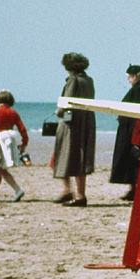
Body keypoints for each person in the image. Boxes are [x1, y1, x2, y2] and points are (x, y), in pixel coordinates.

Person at [53, 52, 96, 207]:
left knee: (66, 155)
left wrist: (58, 112)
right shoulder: (88, 80)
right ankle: (78, 193)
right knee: (81, 157)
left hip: (72, 123)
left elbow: (66, 102)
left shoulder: (73, 80)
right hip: (86, 120)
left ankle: (71, 192)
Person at [109, 64, 140, 201]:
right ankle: (134, 190)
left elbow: (138, 112)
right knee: (132, 161)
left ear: (137, 75)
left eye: (130, 77)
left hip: (135, 130)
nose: (129, 80)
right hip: (133, 129)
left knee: (135, 161)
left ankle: (136, 190)